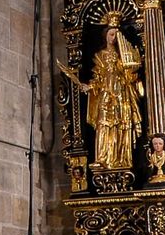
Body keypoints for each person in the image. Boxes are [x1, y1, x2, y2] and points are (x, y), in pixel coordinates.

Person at [58, 14, 143, 170]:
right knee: (103, 124)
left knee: (122, 125)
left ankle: (122, 159)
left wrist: (132, 70)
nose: (113, 38)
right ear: (106, 36)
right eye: (111, 34)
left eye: (116, 35)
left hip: (121, 94)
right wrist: (89, 87)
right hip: (106, 94)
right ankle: (103, 158)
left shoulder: (124, 57)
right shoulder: (100, 56)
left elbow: (131, 77)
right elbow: (97, 78)